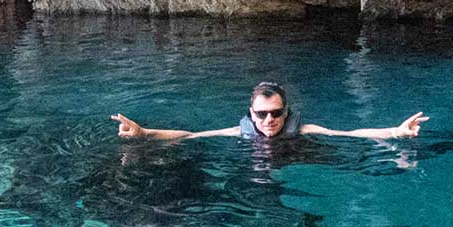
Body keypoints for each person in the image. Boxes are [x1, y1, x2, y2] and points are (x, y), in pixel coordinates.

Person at [112, 81, 428, 141]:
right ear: (251, 114)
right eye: (262, 114)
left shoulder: (303, 131)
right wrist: (144, 133)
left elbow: (351, 134)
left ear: (286, 113)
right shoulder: (241, 132)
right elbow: (190, 135)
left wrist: (396, 131)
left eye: (276, 113)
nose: (269, 120)